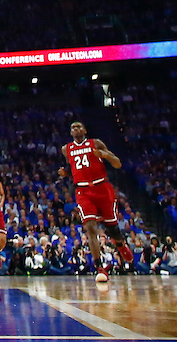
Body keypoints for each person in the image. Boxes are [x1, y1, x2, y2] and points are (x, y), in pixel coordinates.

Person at [57, 120, 133, 283]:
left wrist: (105, 155)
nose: (76, 129)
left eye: (78, 126)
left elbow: (117, 164)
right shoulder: (66, 149)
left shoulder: (95, 143)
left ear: (84, 130)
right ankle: (99, 267)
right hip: (83, 191)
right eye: (73, 127)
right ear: (71, 133)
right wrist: (66, 173)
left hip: (101, 187)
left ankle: (120, 244)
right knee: (90, 227)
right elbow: (75, 170)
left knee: (111, 228)